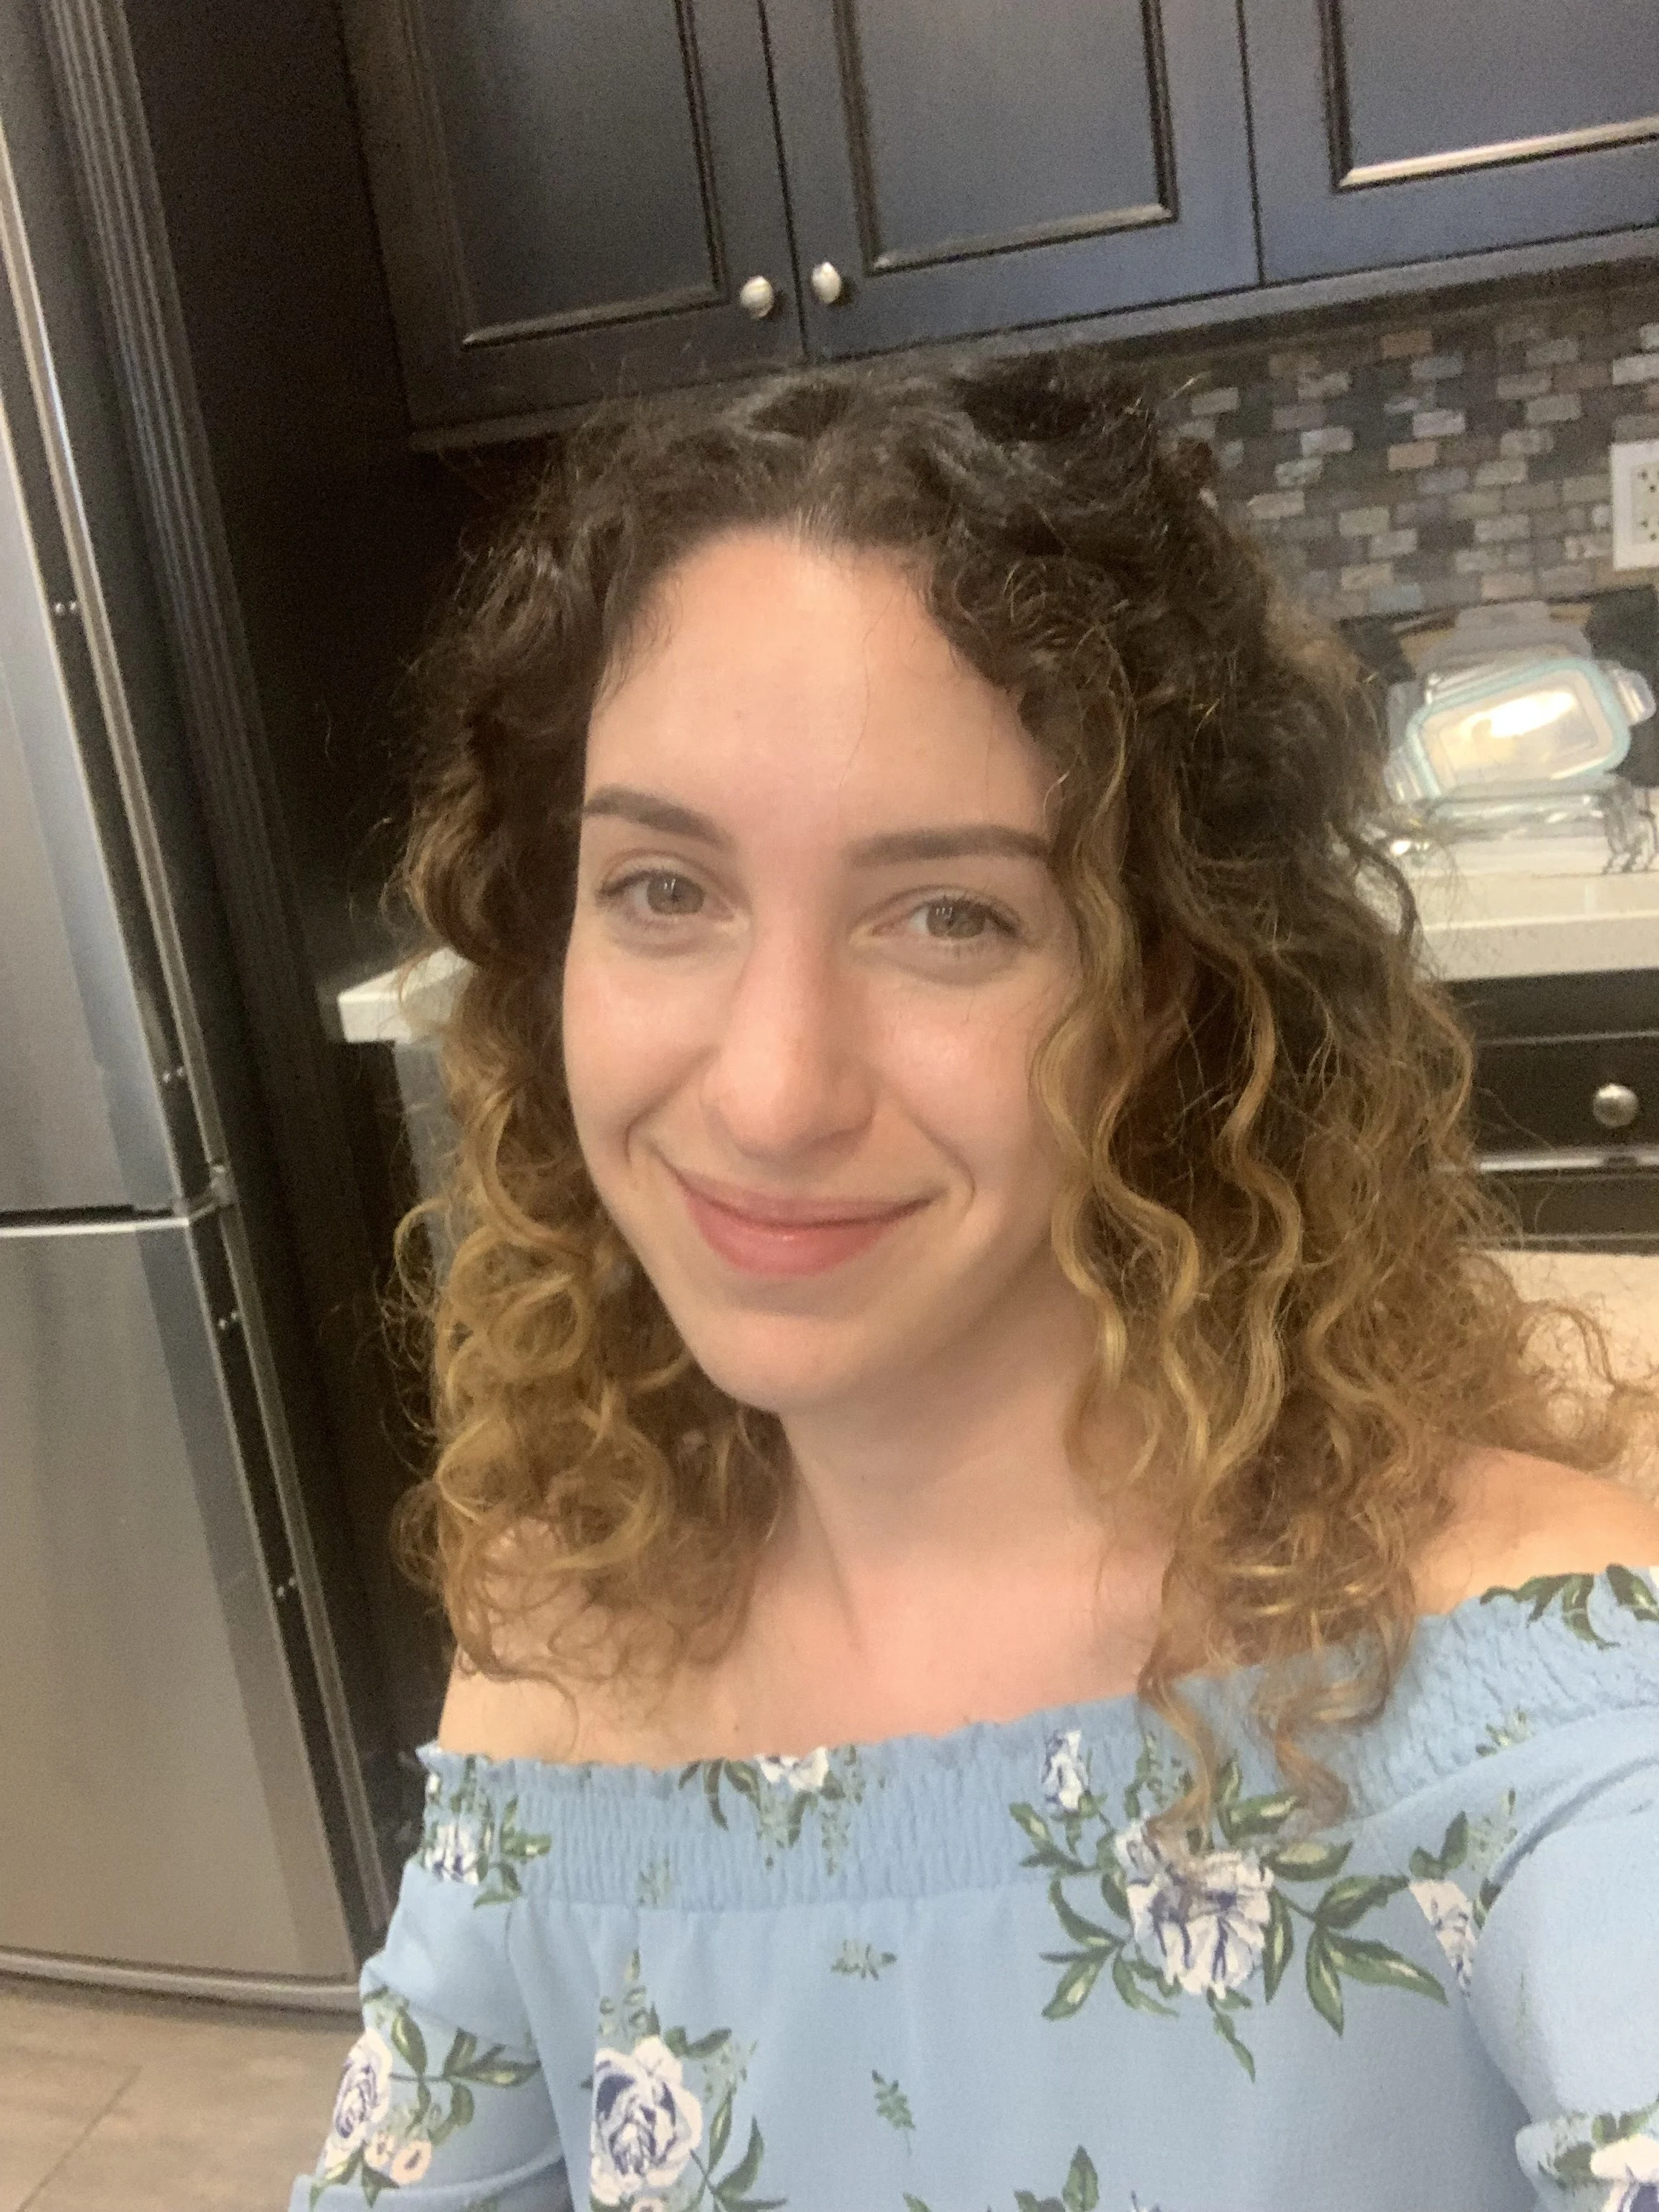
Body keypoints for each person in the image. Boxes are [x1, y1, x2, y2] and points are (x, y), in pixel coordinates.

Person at [292, 352, 1659, 2212]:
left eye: (950, 916)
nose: (770, 1090)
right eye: (663, 891)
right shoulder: (566, 1641)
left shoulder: (1531, 1691)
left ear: (1169, 991)